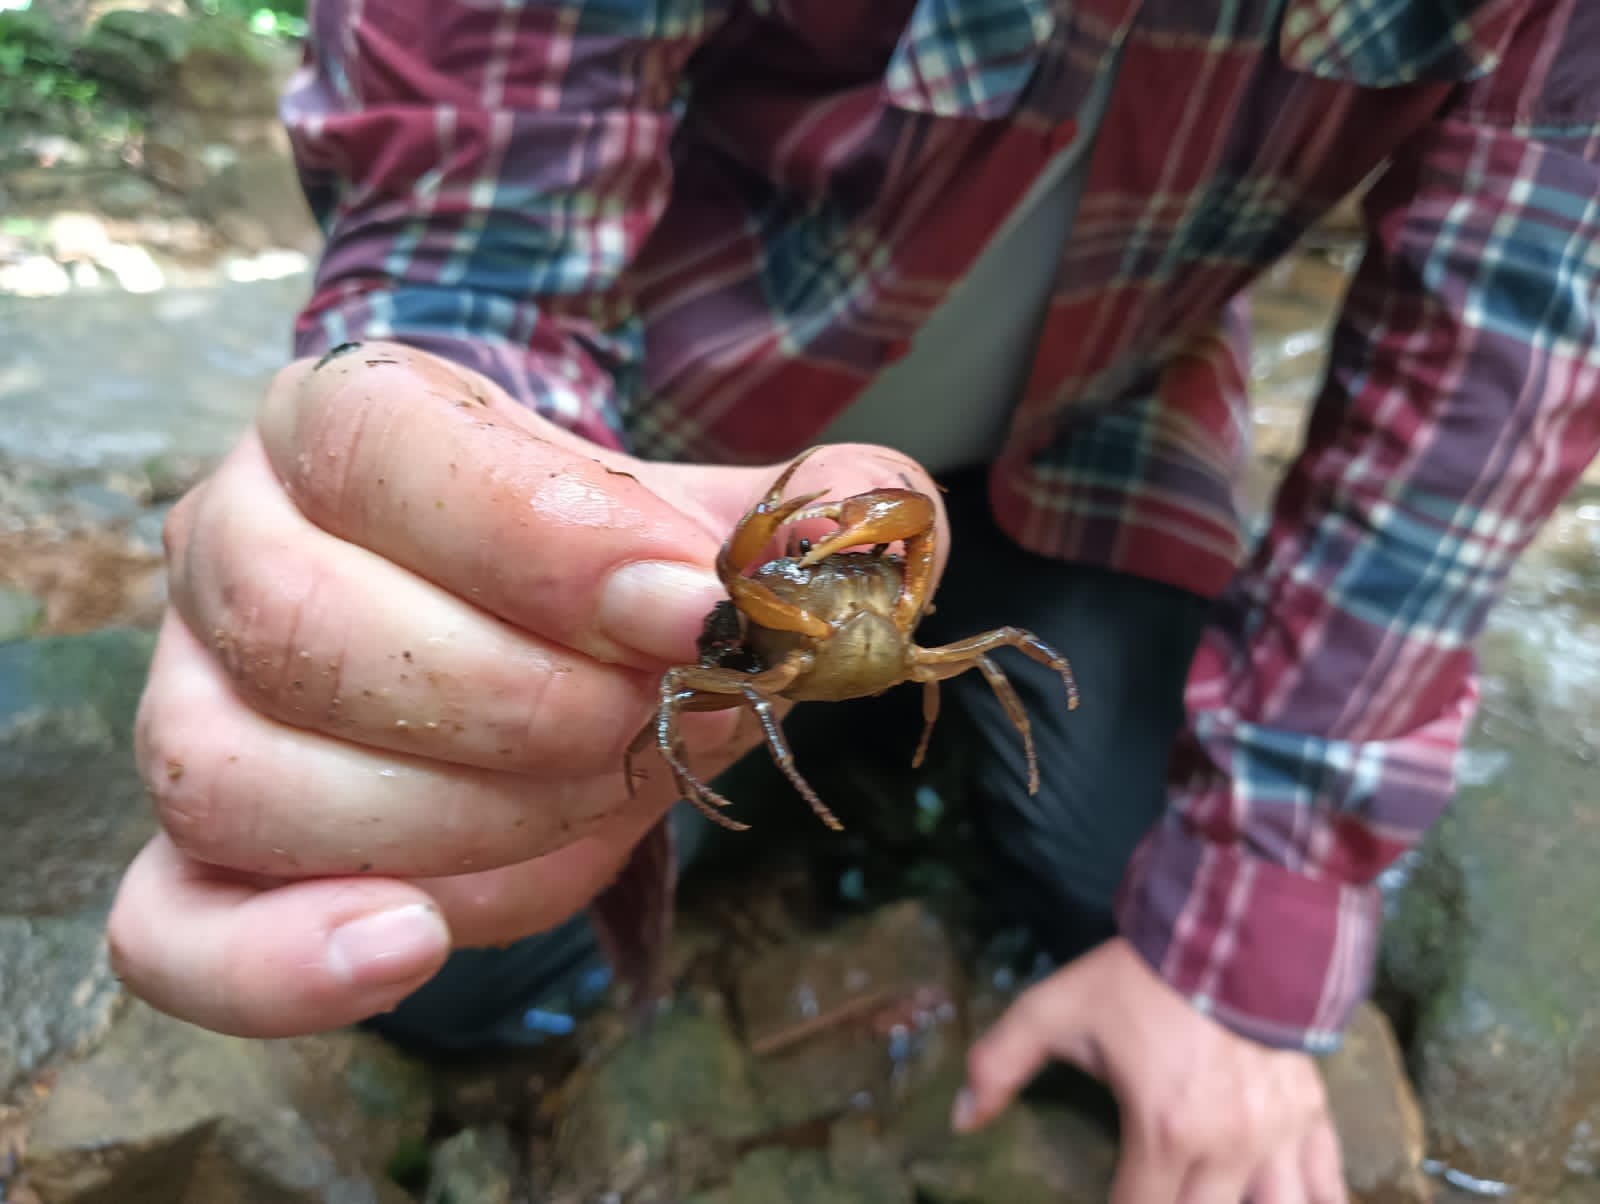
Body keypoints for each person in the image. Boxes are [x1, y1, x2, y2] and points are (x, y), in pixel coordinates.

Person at [108, 1, 1598, 1201]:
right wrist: (425, 535)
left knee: (1127, 880)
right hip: (678, 480)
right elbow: (470, 252)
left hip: (1090, 437)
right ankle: (793, 771)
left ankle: (881, 755)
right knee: (466, 944)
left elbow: (1494, 376)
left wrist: (1251, 930)